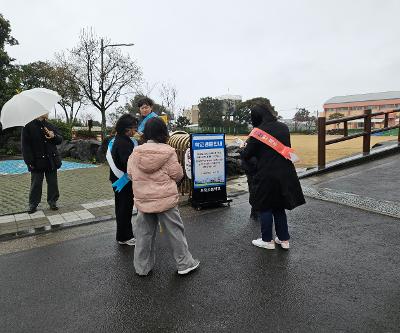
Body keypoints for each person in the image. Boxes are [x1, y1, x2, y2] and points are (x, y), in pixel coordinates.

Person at [127, 117, 199, 276]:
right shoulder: (168, 152)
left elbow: (130, 174)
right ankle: (184, 264)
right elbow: (178, 175)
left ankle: (142, 268)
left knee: (143, 235)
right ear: (163, 132)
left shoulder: (135, 152)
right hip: (166, 200)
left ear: (146, 133)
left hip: (144, 201)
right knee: (175, 232)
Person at [240, 101, 305, 250]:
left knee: (266, 207)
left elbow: (247, 153)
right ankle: (284, 239)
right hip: (285, 173)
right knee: (279, 206)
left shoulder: (258, 133)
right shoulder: (284, 128)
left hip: (266, 174)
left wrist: (242, 147)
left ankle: (267, 240)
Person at [21, 113, 63, 214]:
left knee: (53, 183)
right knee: (36, 184)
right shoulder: (27, 127)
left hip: (51, 160)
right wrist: (29, 161)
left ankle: (52, 201)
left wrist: (54, 136)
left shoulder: (50, 125)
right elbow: (25, 146)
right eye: (46, 111)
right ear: (39, 112)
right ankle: (33, 204)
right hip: (36, 161)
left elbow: (60, 140)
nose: (48, 113)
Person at [108, 114, 138, 246]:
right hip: (123, 180)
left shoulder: (119, 139)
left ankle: (123, 234)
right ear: (127, 129)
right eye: (134, 128)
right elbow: (127, 163)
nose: (135, 131)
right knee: (124, 208)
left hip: (118, 178)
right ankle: (124, 236)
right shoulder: (123, 142)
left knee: (122, 207)